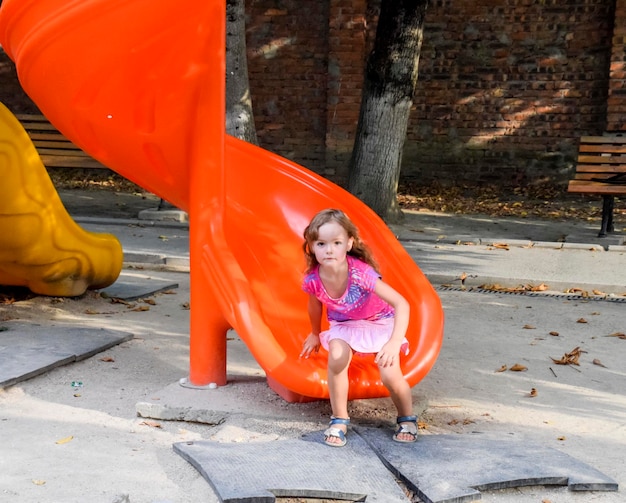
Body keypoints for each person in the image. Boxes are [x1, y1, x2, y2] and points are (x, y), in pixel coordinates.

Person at [299, 208, 417, 447]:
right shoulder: (313, 278)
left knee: (389, 373)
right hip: (344, 325)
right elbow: (315, 306)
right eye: (321, 243)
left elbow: (401, 304)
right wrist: (314, 333)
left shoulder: (361, 273)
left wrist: (394, 342)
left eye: (336, 243)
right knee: (337, 357)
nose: (329, 249)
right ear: (311, 246)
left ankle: (407, 417)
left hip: (379, 321)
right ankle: (340, 419)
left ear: (349, 244)